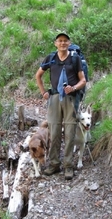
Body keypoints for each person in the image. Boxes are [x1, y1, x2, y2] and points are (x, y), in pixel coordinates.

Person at [35, 33, 86, 180]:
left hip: (71, 98)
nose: (62, 43)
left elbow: (83, 80)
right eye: (60, 41)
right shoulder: (50, 58)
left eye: (65, 41)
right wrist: (43, 92)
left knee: (70, 131)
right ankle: (54, 164)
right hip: (55, 97)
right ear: (55, 43)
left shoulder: (75, 59)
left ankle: (68, 166)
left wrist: (74, 88)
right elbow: (38, 75)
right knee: (54, 131)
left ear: (69, 43)